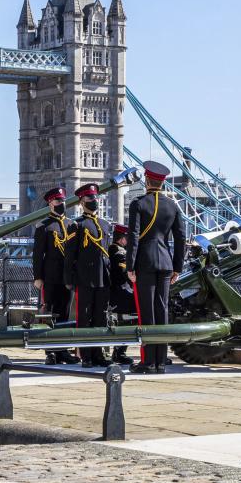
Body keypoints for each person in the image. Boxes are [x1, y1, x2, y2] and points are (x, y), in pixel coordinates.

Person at [126, 160, 186, 374]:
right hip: (166, 263)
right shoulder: (173, 206)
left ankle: (148, 361)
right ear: (162, 182)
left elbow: (133, 237)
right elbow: (180, 238)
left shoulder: (138, 204)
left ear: (147, 179)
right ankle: (161, 361)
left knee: (147, 312)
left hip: (145, 263)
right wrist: (178, 267)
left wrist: (130, 266)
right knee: (163, 310)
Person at [65, 184, 118, 367]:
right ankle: (86, 355)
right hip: (85, 277)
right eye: (89, 198)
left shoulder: (105, 224)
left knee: (100, 318)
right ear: (82, 202)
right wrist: (69, 280)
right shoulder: (76, 225)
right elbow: (70, 256)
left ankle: (99, 354)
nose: (94, 201)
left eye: (95, 197)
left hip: (103, 277)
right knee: (84, 318)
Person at [32, 186, 79, 365]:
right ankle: (51, 351)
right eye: (58, 201)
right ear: (50, 203)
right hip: (51, 277)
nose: (62, 203)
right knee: (50, 315)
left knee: (65, 314)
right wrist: (38, 277)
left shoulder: (71, 225)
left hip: (67, 278)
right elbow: (38, 254)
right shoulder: (44, 227)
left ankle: (63, 351)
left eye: (63, 200)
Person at [107, 223, 137, 365]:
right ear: (122, 239)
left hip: (118, 293)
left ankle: (119, 352)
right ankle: (119, 353)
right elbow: (124, 275)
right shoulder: (119, 253)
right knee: (130, 321)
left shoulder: (112, 250)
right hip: (121, 294)